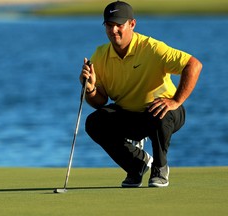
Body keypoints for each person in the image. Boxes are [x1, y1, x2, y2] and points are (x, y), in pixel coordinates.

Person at [79, 1, 202, 188]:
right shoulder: (100, 55)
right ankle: (137, 165)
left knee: (159, 112)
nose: (114, 31)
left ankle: (160, 168)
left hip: (164, 113)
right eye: (109, 25)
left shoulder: (152, 48)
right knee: (95, 122)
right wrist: (90, 88)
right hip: (128, 115)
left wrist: (176, 100)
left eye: (119, 25)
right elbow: (99, 102)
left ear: (132, 24)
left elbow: (193, 65)